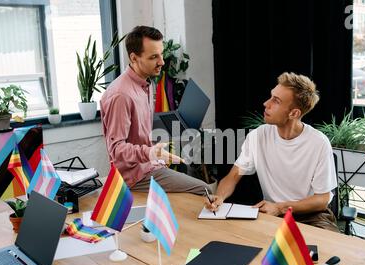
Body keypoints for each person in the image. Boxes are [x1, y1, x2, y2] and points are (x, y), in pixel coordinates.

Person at [204, 72, 339, 232]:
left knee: (327, 252)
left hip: (311, 215)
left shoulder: (319, 143)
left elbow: (322, 200)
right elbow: (233, 176)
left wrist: (280, 208)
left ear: (294, 113)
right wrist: (220, 196)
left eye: (276, 101)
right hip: (273, 213)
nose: (266, 103)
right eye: (271, 97)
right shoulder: (258, 136)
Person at [100, 26, 210, 195]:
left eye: (161, 54)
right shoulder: (121, 95)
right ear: (134, 58)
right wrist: (150, 153)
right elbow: (116, 149)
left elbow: (141, 134)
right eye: (153, 57)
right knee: (205, 189)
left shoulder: (146, 82)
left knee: (185, 167)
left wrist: (156, 155)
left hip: (150, 164)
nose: (162, 62)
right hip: (136, 176)